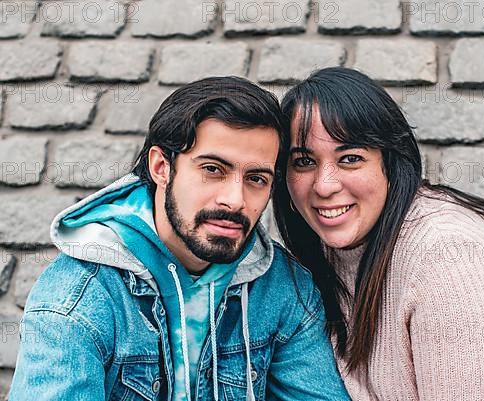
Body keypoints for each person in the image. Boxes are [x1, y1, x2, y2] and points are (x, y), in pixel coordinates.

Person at [9, 77, 351, 401]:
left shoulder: (284, 288)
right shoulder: (77, 301)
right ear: (161, 167)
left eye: (256, 179)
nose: (234, 200)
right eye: (212, 169)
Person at [273, 67, 484, 401]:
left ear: (390, 162)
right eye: (303, 162)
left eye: (351, 159)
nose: (325, 185)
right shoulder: (324, 252)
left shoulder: (449, 260)